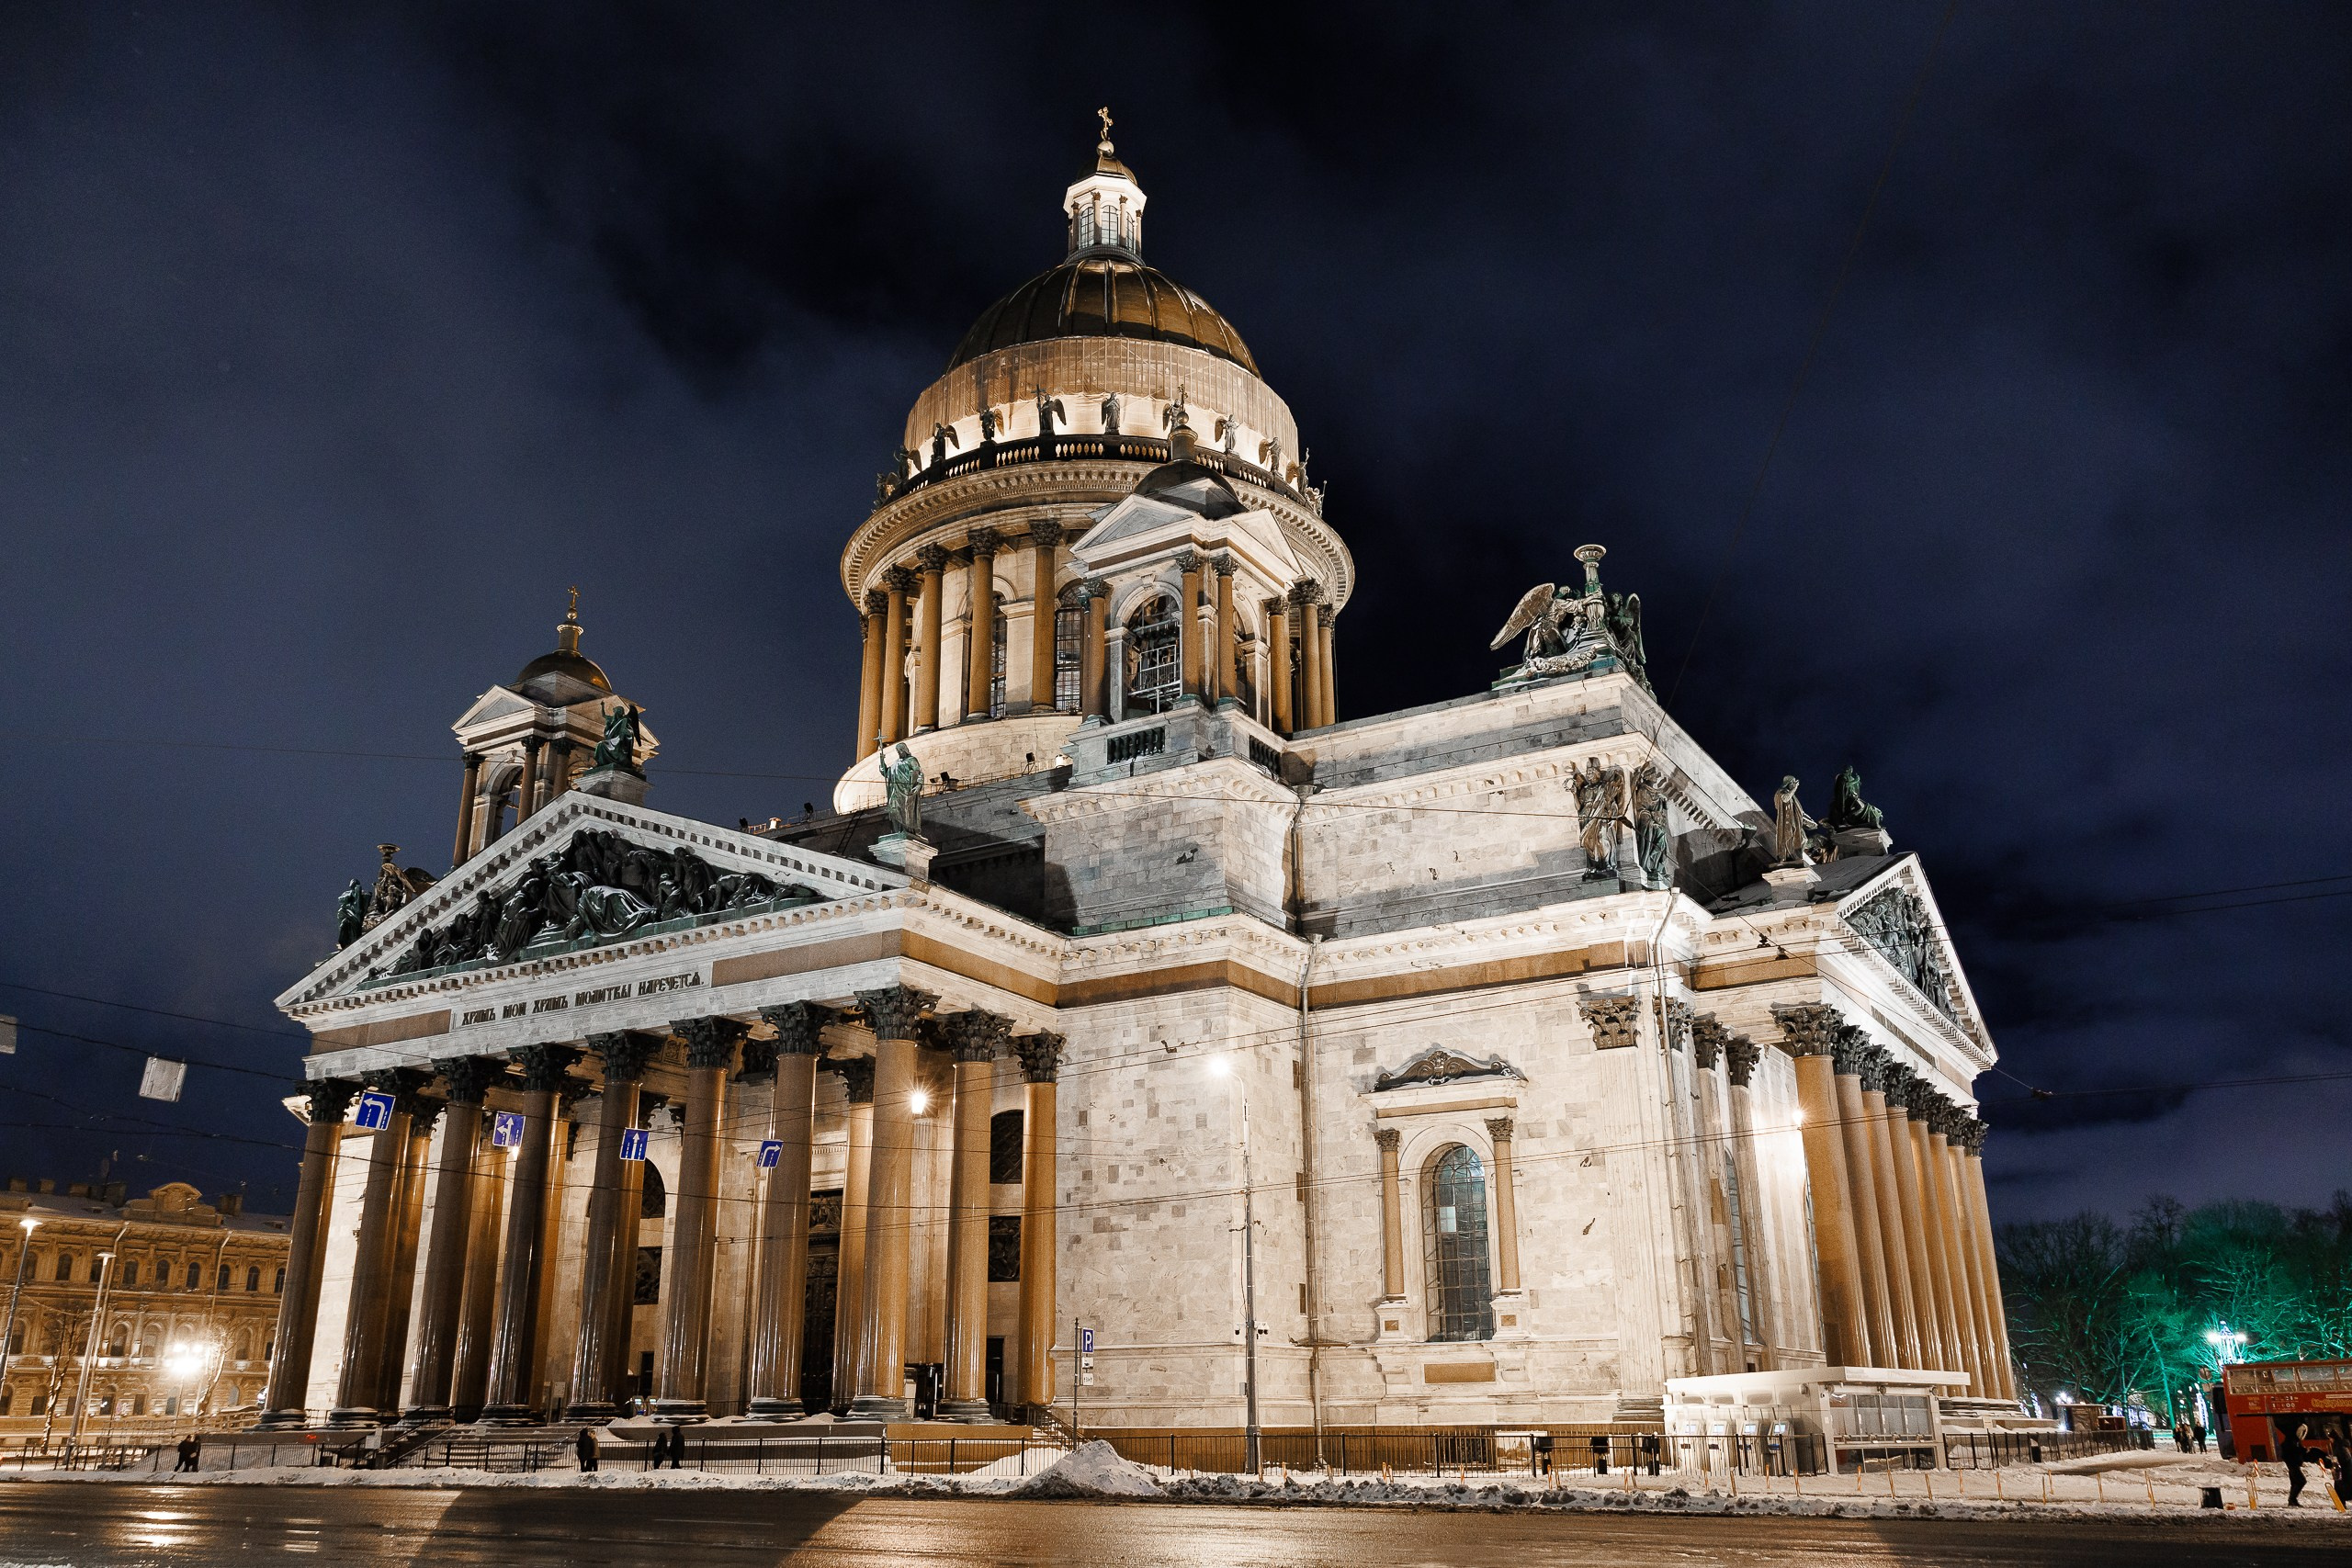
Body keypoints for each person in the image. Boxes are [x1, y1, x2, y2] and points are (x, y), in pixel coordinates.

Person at [2283, 1422, 2312, 1506]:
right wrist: (2303, 1451)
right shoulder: (2291, 1440)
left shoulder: (2295, 1440)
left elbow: (2297, 1450)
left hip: (2294, 1464)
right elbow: (2292, 1451)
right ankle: (2292, 1499)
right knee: (2301, 1481)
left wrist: (2304, 1450)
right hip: (2293, 1464)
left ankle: (2292, 1501)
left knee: (2295, 1483)